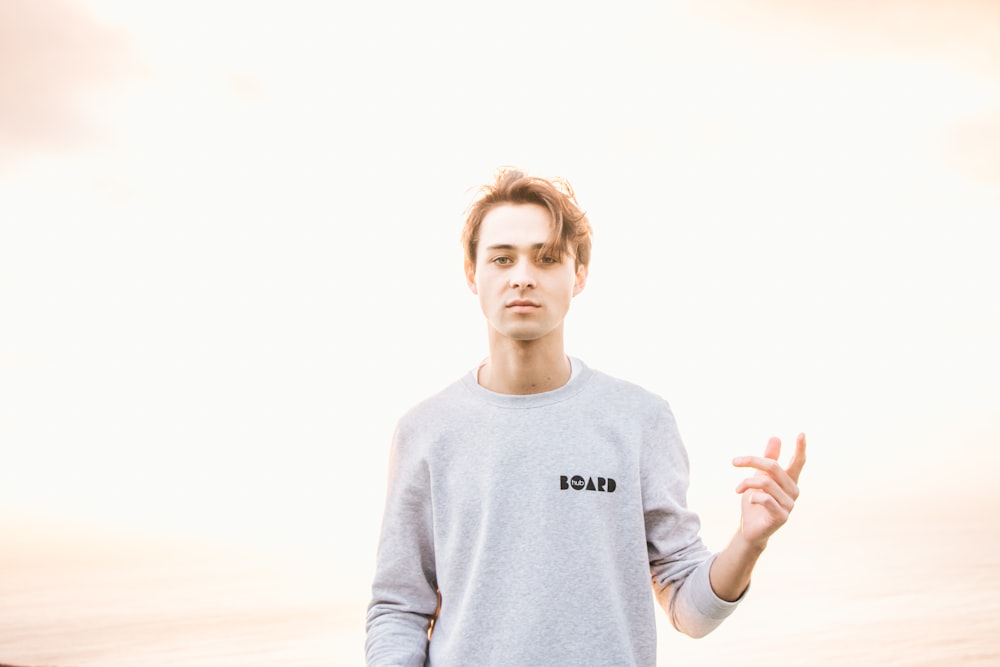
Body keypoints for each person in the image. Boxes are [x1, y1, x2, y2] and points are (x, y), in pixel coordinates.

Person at [365, 168, 806, 666]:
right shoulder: (426, 431)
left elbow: (691, 611)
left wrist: (749, 541)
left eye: (547, 258)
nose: (523, 276)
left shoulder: (639, 420)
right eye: (502, 258)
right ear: (472, 273)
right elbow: (399, 608)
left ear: (579, 274)